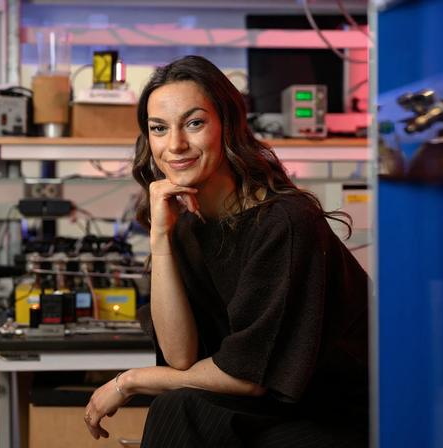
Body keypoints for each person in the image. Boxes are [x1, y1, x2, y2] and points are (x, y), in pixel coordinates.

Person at [84, 55, 369, 447]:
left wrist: (130, 380)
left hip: (331, 415)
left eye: (194, 123)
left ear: (228, 125)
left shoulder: (284, 223)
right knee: (180, 408)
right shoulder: (186, 223)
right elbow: (180, 357)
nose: (175, 144)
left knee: (180, 408)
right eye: (159, 129)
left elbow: (249, 377)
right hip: (259, 409)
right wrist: (161, 239)